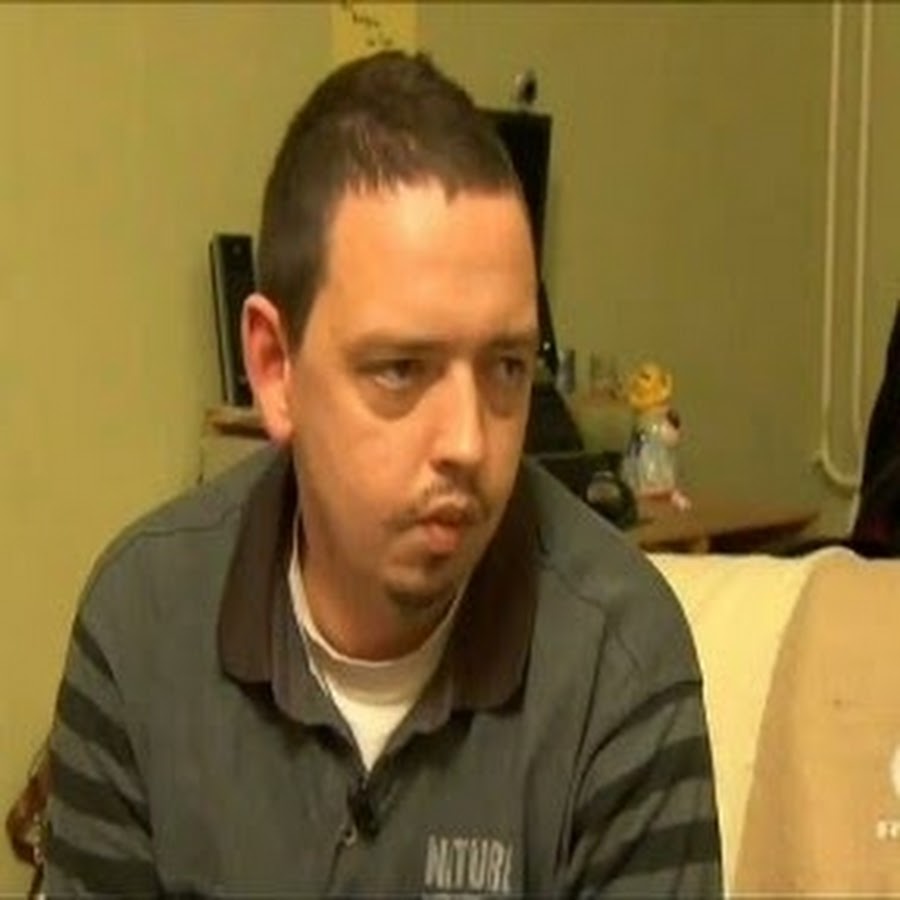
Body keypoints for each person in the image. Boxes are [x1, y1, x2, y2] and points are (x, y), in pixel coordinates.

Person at [44, 50, 722, 897]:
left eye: (507, 366)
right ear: (275, 368)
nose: (468, 442)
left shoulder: (619, 662)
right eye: (401, 369)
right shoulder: (142, 624)